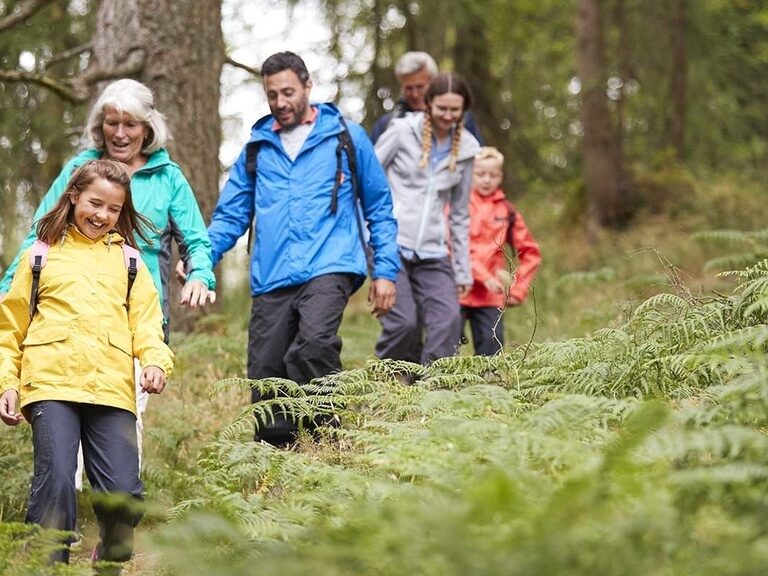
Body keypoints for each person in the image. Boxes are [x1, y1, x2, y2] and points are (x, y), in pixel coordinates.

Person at [0, 78, 215, 480]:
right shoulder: (80, 169)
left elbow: (196, 239)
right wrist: (6, 290)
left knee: (121, 419)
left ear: (147, 128)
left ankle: (113, 518)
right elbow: (39, 235)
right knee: (67, 430)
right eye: (111, 123)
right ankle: (74, 518)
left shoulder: (167, 177)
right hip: (70, 315)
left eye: (129, 124)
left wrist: (200, 273)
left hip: (134, 320)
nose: (119, 133)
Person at [204, 51, 399, 446]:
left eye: (288, 92)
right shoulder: (257, 148)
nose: (280, 102)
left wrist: (385, 272)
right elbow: (230, 215)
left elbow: (379, 206)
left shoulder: (345, 136)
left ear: (308, 86)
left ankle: (328, 441)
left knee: (314, 345)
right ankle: (280, 458)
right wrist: (201, 258)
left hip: (330, 262)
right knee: (266, 371)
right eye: (272, 94)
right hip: (273, 273)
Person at [0, 160, 174, 573]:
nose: (102, 215)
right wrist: (7, 382)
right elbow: (10, 328)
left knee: (124, 495)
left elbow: (148, 324)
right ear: (75, 195)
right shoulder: (40, 255)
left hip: (111, 387)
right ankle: (50, 567)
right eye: (95, 203)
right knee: (56, 482)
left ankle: (109, 558)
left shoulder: (131, 262)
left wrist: (154, 362)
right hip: (50, 384)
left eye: (113, 209)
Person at [374, 72, 480, 365]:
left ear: (463, 110)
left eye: (454, 110)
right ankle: (388, 387)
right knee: (404, 323)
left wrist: (462, 270)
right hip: (391, 243)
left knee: (448, 320)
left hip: (433, 250)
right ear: (428, 104)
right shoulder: (400, 132)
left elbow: (459, 214)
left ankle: (431, 396)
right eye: (442, 108)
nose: (448, 115)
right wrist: (366, 234)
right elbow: (369, 178)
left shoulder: (468, 149)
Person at [460, 147, 541, 355]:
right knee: (444, 354)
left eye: (493, 175)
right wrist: (482, 275)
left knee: (491, 356)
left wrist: (518, 289)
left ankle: (487, 385)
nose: (487, 180)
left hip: (491, 296)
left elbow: (530, 252)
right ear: (471, 174)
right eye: (480, 174)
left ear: (500, 176)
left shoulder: (507, 210)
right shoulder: (458, 204)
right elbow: (451, 246)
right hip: (456, 290)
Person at [370, 51, 483, 145]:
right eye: (408, 88)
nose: (415, 94)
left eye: (420, 87)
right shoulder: (388, 123)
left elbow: (480, 159)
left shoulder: (459, 118)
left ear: (434, 82)